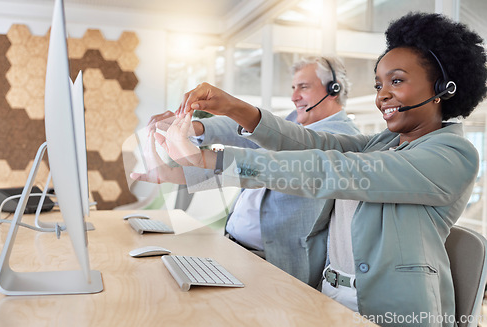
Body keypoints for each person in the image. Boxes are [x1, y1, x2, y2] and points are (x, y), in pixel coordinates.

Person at [132, 12, 487, 325]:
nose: (382, 94)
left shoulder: (454, 154)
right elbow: (310, 143)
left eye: (396, 81)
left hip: (387, 310)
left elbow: (337, 170)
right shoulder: (381, 142)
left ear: (443, 88)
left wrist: (209, 159)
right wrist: (233, 107)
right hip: (329, 295)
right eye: (378, 84)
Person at [146, 57, 360, 286]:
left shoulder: (343, 137)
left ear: (333, 90)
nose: (294, 96)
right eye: (293, 87)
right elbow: (243, 130)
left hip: (279, 263)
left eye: (304, 87)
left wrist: (193, 159)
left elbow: (270, 165)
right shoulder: (296, 120)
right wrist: (195, 128)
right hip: (238, 249)